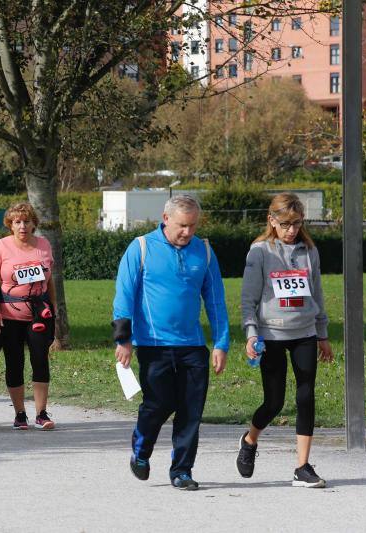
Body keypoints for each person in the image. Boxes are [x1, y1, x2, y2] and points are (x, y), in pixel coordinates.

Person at [113, 195, 229, 491]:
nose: (187, 232)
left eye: (192, 226)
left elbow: (215, 299)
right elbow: (124, 295)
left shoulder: (203, 250)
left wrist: (221, 342)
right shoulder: (140, 248)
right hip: (154, 344)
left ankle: (182, 470)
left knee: (191, 410)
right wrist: (123, 340)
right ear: (165, 219)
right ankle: (141, 448)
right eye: (182, 226)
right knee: (159, 403)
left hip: (192, 345)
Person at [236, 193, 334, 488]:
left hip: (304, 332)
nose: (292, 230)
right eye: (286, 224)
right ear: (272, 221)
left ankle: (302, 467)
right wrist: (252, 334)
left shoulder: (309, 251)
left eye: (297, 223)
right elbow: (248, 300)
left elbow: (316, 294)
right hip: (272, 334)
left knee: (306, 396)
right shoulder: (259, 251)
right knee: (275, 401)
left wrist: (323, 334)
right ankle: (250, 439)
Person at [0, 202, 57, 431]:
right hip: (9, 315)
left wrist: (54, 309)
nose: (22, 226)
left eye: (27, 221)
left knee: (40, 360)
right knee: (14, 363)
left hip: (38, 315)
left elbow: (50, 280)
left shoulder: (44, 245)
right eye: (17, 222)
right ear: (10, 225)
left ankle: (41, 413)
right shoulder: (1, 246)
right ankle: (20, 414)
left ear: (34, 223)